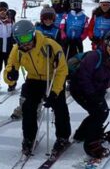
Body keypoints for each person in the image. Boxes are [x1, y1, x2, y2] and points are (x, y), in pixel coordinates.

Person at [5, 20, 70, 156]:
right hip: (33, 79)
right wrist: (10, 76)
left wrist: (55, 92)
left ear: (33, 34)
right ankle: (29, 138)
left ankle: (63, 137)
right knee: (28, 107)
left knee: (59, 106)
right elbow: (10, 67)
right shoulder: (17, 50)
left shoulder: (50, 46)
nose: (25, 43)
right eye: (20, 40)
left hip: (52, 79)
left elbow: (62, 70)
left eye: (27, 38)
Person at [70, 29, 110, 158]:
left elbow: (105, 79)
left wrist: (99, 94)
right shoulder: (94, 56)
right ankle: (91, 143)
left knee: (101, 111)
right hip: (79, 88)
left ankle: (81, 134)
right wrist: (93, 95)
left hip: (93, 90)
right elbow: (83, 77)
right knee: (100, 113)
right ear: (106, 43)